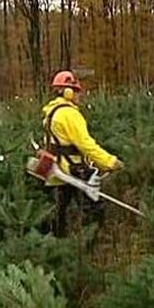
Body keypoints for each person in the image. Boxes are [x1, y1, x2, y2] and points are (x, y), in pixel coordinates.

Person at [42, 70, 124, 237]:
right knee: (93, 209)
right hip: (73, 170)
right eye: (76, 91)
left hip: (56, 170)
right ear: (67, 91)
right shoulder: (69, 114)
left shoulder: (51, 112)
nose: (79, 95)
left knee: (60, 212)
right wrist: (110, 162)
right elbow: (86, 145)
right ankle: (95, 243)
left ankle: (58, 244)